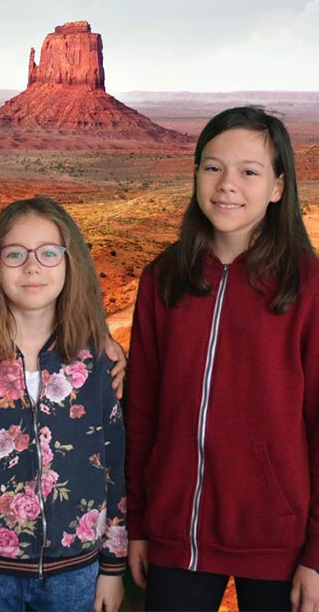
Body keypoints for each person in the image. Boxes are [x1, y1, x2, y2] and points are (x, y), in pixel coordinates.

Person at [125, 106, 319, 612]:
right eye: (212, 167)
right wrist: (140, 525)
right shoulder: (163, 278)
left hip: (282, 541)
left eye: (249, 171)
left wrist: (318, 554)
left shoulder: (308, 287)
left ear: (278, 187)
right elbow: (141, 413)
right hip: (175, 535)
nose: (226, 184)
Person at [0, 196, 128, 612]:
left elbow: (114, 467)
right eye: (15, 253)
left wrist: (113, 567)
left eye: (49, 252)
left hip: (77, 573)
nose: (32, 266)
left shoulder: (95, 363)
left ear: (69, 261)